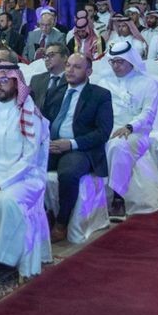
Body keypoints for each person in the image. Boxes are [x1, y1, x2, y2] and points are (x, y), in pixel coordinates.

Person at [0, 63, 49, 280]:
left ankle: (3, 260)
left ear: (16, 83)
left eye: (4, 81)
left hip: (25, 177)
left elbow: (30, 159)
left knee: (7, 201)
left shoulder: (29, 113)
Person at [41, 52, 113, 243]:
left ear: (88, 72)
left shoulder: (100, 95)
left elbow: (103, 132)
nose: (70, 70)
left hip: (80, 148)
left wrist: (71, 144)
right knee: (26, 165)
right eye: (68, 65)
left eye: (77, 67)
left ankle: (61, 222)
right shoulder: (56, 91)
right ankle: (42, 214)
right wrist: (44, 142)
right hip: (52, 145)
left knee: (68, 173)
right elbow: (43, 120)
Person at [97, 39, 158, 220]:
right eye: (113, 62)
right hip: (106, 128)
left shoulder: (148, 83)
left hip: (136, 131)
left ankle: (118, 198)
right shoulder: (104, 82)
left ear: (131, 61)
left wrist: (131, 126)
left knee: (117, 146)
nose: (116, 66)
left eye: (120, 62)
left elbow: (149, 113)